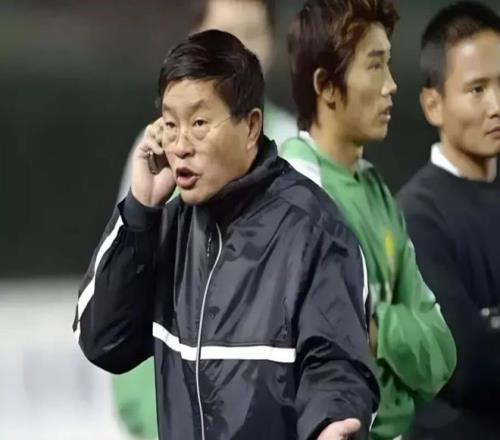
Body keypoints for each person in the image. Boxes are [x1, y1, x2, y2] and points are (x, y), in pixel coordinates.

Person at [73, 29, 380, 440]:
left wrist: (332, 422)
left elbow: (337, 364)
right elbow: (102, 340)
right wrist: (139, 209)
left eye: (199, 123)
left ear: (251, 127)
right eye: (170, 124)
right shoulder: (164, 226)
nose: (180, 145)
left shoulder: (313, 229)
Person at [280, 1, 456, 439]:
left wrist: (380, 329)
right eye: (375, 66)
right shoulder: (294, 192)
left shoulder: (377, 194)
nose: (391, 85)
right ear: (326, 86)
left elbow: (440, 356)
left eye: (388, 64)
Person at [397, 2, 500, 439]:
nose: (496, 105)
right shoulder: (416, 216)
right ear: (433, 104)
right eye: (477, 89)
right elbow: (467, 365)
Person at [117, 0, 296, 201]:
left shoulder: (294, 146)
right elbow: (127, 220)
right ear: (194, 41)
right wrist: (146, 207)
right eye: (223, 37)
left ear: (273, 42)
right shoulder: (155, 150)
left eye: (251, 34)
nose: (238, 54)